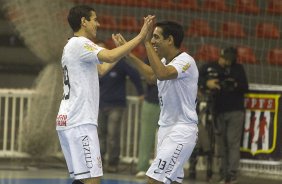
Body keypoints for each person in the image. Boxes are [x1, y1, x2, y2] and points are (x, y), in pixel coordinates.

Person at [55, 5, 155, 184]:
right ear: (83, 22)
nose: (98, 24)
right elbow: (108, 56)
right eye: (94, 19)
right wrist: (140, 37)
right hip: (80, 121)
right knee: (93, 180)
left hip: (69, 119)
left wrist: (121, 52)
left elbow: (102, 69)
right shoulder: (81, 43)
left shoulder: (71, 45)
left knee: (82, 179)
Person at [113, 20, 199, 184]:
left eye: (156, 37)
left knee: (153, 179)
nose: (153, 41)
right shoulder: (166, 62)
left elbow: (161, 73)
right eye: (152, 37)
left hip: (182, 130)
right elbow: (152, 76)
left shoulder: (186, 61)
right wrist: (129, 54)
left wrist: (145, 42)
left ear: (170, 40)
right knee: (171, 181)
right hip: (166, 129)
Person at [198, 47, 248, 184]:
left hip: (235, 111)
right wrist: (207, 83)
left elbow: (245, 87)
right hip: (218, 110)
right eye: (225, 58)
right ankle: (224, 173)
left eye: (229, 58)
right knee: (222, 144)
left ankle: (231, 174)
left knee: (232, 142)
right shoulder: (212, 68)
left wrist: (234, 84)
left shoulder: (238, 69)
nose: (227, 61)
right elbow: (199, 78)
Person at [97, 41, 144, 173]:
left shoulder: (118, 63)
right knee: (100, 135)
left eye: (101, 48)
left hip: (116, 105)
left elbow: (134, 74)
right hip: (100, 104)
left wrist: (140, 92)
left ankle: (112, 163)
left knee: (112, 136)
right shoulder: (96, 65)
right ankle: (98, 163)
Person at [135, 59, 160, 178]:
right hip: (151, 101)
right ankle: (142, 167)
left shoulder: (174, 59)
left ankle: (162, 168)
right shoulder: (150, 59)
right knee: (146, 136)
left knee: (167, 138)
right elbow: (149, 79)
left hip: (169, 104)